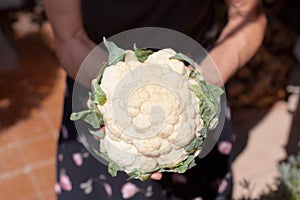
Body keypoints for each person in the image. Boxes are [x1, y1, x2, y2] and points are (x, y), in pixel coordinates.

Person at [42, 0, 266, 199]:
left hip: (196, 72)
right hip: (95, 72)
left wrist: (199, 85)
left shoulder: (199, 85)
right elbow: (69, 36)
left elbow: (248, 17)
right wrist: (111, 94)